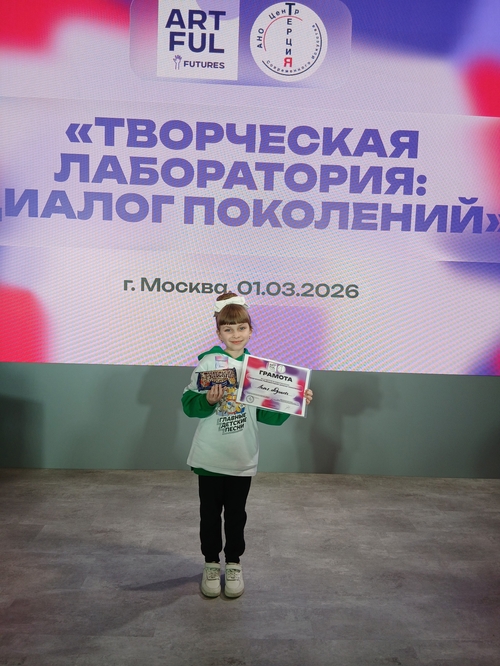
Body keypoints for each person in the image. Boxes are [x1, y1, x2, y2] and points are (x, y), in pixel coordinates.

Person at [182, 291, 313, 598]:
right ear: (218, 332)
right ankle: (211, 563)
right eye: (228, 329)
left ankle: (234, 563)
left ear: (251, 330)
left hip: (242, 457)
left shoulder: (259, 369)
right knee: (209, 515)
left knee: (236, 515)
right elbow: (189, 405)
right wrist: (207, 400)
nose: (235, 334)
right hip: (210, 457)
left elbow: (267, 415)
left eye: (241, 328)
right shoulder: (208, 363)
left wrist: (295, 400)